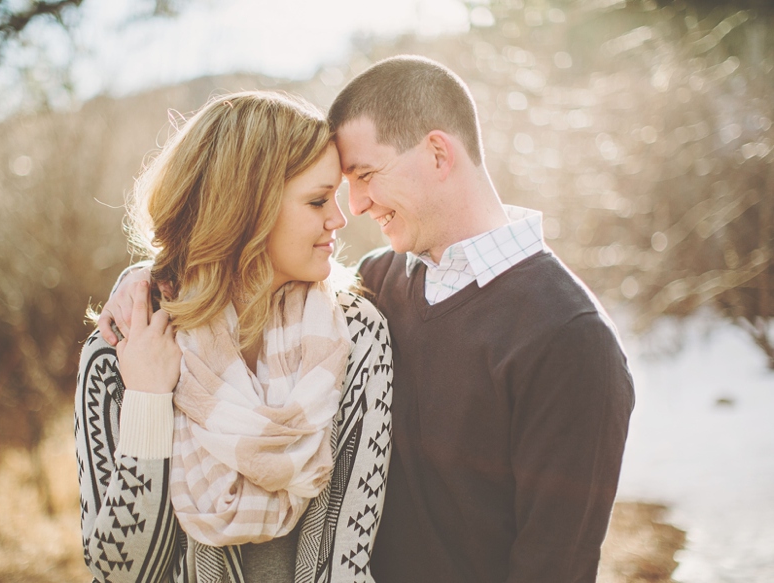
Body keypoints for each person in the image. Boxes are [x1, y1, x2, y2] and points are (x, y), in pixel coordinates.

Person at [101, 56, 635, 583]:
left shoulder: (571, 338)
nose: (353, 206)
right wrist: (153, 278)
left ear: (437, 154)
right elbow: (248, 265)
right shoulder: (381, 284)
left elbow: (555, 567)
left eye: (365, 176)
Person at [76, 91, 392, 583]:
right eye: (316, 200)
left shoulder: (356, 336)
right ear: (245, 209)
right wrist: (147, 400)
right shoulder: (121, 346)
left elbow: (343, 560)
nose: (339, 218)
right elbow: (121, 572)